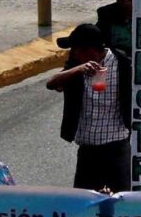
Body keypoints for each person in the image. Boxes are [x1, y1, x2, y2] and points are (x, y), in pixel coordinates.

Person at [47, 21, 131, 190]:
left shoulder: (122, 64)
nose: (73, 54)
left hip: (116, 147)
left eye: (75, 50)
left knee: (121, 201)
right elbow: (51, 83)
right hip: (87, 150)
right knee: (83, 202)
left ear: (90, 50)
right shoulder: (75, 67)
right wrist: (78, 69)